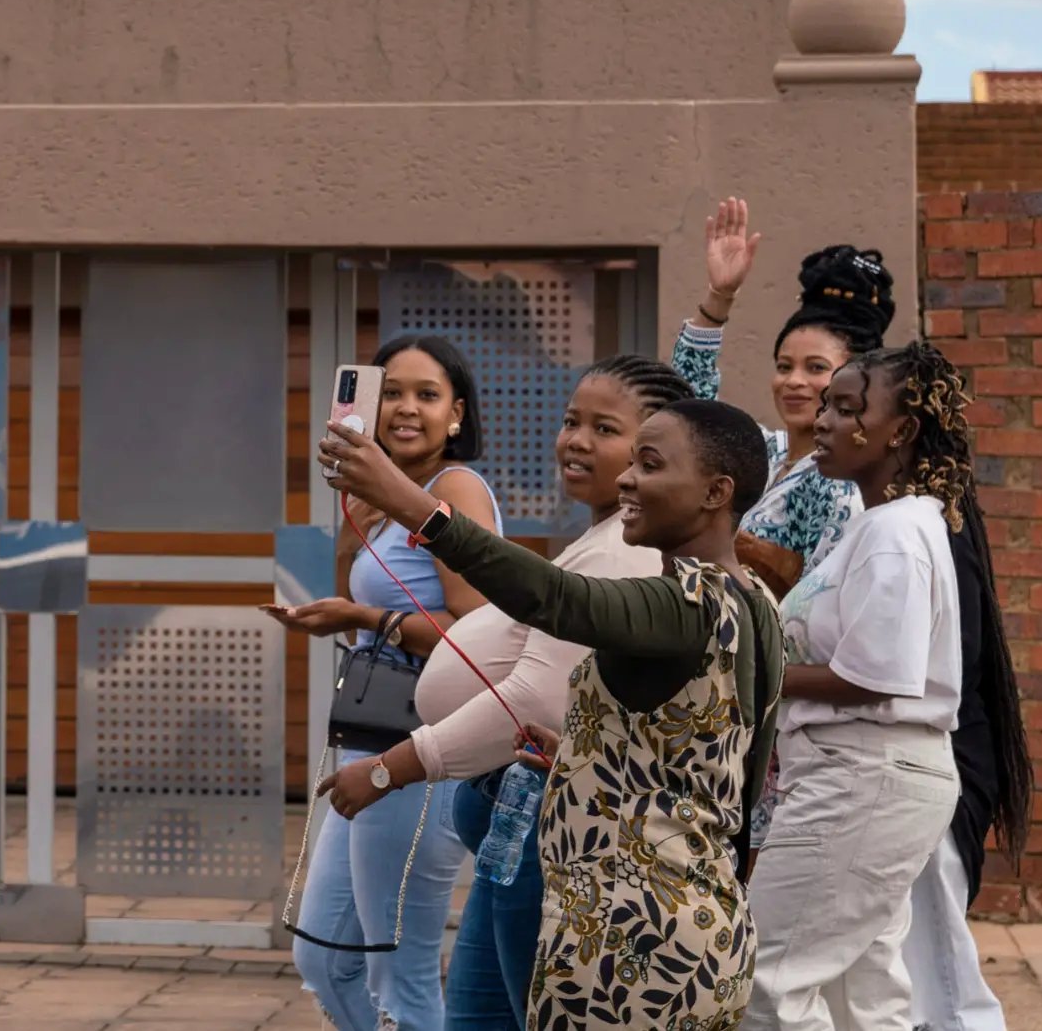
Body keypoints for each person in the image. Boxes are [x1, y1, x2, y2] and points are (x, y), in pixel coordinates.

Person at [319, 396, 784, 1031]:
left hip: (632, 944)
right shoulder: (753, 600)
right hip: (695, 923)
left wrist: (407, 502)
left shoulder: (687, 603)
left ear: (715, 492)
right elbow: (705, 761)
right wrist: (582, 756)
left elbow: (555, 598)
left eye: (648, 464)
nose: (626, 477)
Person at [741, 342, 979, 1031]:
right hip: (862, 777)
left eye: (848, 409)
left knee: (763, 981)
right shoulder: (884, 525)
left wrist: (748, 669)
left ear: (899, 432)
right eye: (827, 407)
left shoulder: (897, 534)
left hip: (862, 778)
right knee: (860, 997)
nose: (825, 421)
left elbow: (874, 678)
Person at [265, 334, 501, 1031]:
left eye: (426, 395)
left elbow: (480, 630)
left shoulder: (453, 490)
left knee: (400, 969)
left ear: (457, 414)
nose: (405, 408)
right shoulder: (378, 495)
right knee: (324, 956)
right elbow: (352, 618)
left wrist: (369, 614)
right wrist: (352, 521)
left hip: (423, 745)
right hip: (369, 733)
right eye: (390, 392)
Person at [899, 376, 1033, 1031]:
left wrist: (780, 673)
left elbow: (921, 675)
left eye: (846, 403)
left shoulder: (921, 535)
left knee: (940, 979)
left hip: (924, 777)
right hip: (876, 780)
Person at [674, 197, 894, 596]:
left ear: (854, 382)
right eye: (783, 366)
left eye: (815, 368)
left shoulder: (838, 483)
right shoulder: (763, 451)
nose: (793, 381)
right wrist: (718, 299)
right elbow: (689, 412)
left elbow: (818, 608)